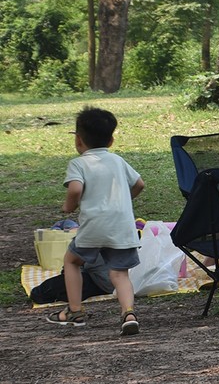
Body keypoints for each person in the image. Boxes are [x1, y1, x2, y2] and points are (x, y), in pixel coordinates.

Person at [46, 107, 145, 335]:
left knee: (72, 262)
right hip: (122, 226)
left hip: (94, 226)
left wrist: (68, 206)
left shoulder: (79, 163)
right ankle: (128, 313)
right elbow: (139, 184)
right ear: (111, 140)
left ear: (78, 140)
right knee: (120, 273)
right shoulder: (118, 160)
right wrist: (124, 201)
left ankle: (75, 311)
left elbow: (75, 188)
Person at [30, 257, 112, 305]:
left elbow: (73, 260)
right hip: (118, 280)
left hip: (99, 279)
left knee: (38, 293)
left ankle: (74, 309)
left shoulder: (91, 235)